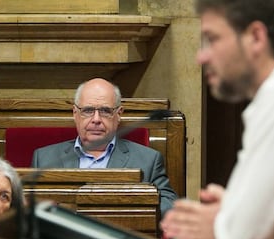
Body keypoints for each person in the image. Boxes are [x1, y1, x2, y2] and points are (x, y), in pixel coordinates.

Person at [161, 0, 274, 239]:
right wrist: (234, 209)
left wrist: (222, 220)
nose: (201, 56)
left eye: (212, 39)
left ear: (255, 37)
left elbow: (239, 234)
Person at [31, 77, 178, 217]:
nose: (96, 120)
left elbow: (169, 206)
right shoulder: (44, 158)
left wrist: (130, 208)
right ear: (75, 114)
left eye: (105, 111)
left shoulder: (148, 160)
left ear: (119, 114)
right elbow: (27, 207)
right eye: (88, 110)